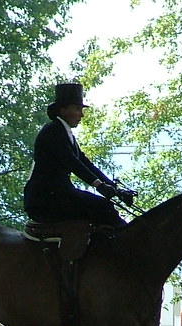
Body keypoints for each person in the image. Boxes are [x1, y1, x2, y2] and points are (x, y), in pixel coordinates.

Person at [24, 82, 132, 226]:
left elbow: (84, 162)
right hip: (46, 199)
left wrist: (115, 189)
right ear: (63, 111)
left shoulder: (66, 134)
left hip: (61, 194)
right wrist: (99, 185)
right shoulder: (52, 132)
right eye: (77, 109)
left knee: (103, 209)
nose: (81, 114)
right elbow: (72, 162)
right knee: (103, 208)